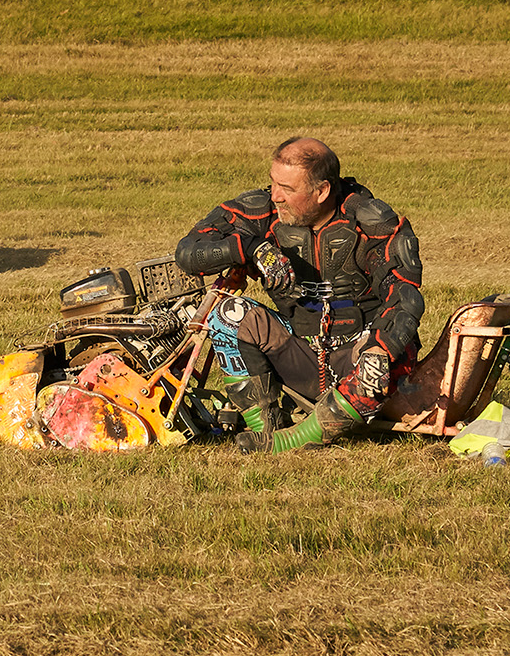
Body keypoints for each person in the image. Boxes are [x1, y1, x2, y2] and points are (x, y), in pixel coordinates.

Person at [175, 136, 426, 451]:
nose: (276, 196)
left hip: (359, 355)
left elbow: (405, 295)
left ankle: (288, 441)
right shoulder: (261, 212)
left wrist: (380, 349)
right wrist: (251, 248)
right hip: (299, 350)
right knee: (227, 315)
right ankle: (265, 428)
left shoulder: (369, 221)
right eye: (273, 183)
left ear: (321, 191)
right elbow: (188, 251)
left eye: (288, 189)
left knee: (390, 348)